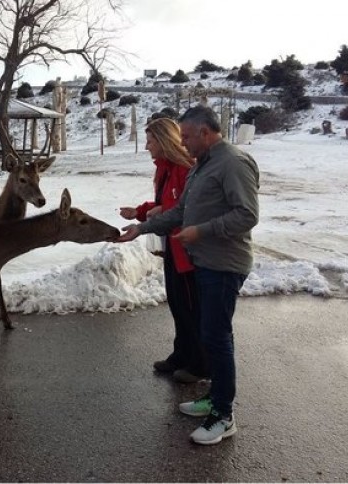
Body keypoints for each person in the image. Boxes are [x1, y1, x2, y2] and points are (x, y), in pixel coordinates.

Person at [117, 105, 259, 445]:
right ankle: (215, 398)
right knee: (212, 335)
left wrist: (201, 232)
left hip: (224, 264)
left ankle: (223, 415)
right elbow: (180, 210)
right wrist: (142, 227)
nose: (183, 143)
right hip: (205, 261)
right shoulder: (203, 167)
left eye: (187, 136)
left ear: (206, 133)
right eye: (180, 137)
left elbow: (247, 215)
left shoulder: (233, 163)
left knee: (217, 339)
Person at [118, 117, 209, 384]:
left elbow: (182, 210)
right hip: (173, 247)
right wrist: (141, 211)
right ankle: (182, 354)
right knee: (178, 305)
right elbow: (164, 203)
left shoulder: (184, 168)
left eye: (149, 141)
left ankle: (200, 365)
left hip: (189, 253)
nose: (146, 147)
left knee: (192, 309)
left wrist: (148, 219)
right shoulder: (165, 169)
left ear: (163, 140)